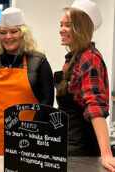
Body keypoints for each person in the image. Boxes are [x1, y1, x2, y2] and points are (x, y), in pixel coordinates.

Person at [0, 7, 54, 155]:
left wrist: (31, 131)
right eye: (3, 33)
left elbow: (47, 102)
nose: (8, 37)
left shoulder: (37, 61)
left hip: (24, 140)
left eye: (13, 31)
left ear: (23, 33)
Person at [54, 0, 115, 171]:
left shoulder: (90, 58)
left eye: (68, 25)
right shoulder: (71, 60)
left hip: (82, 150)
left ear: (81, 28)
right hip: (68, 143)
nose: (61, 29)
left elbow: (95, 106)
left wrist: (106, 154)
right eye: (61, 24)